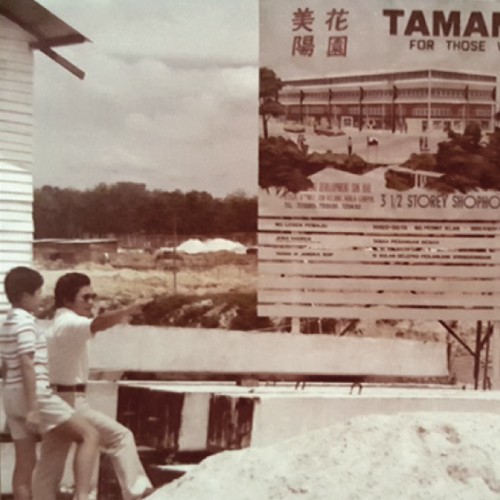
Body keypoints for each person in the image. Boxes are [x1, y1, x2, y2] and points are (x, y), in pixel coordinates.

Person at [33, 272, 154, 500]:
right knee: (120, 437)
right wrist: (127, 311)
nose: (91, 302)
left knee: (50, 465)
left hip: (54, 398)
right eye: (85, 297)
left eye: (93, 297)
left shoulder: (57, 325)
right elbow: (98, 324)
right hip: (70, 400)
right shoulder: (69, 323)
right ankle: (137, 492)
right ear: (67, 300)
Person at [0, 267, 99, 500]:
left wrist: (13, 405)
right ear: (26, 296)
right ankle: (82, 496)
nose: (41, 297)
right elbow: (27, 363)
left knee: (25, 463)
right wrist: (33, 408)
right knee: (89, 435)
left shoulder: (7, 323)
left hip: (11, 394)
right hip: (34, 394)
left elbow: (5, 367)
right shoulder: (26, 323)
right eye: (38, 292)